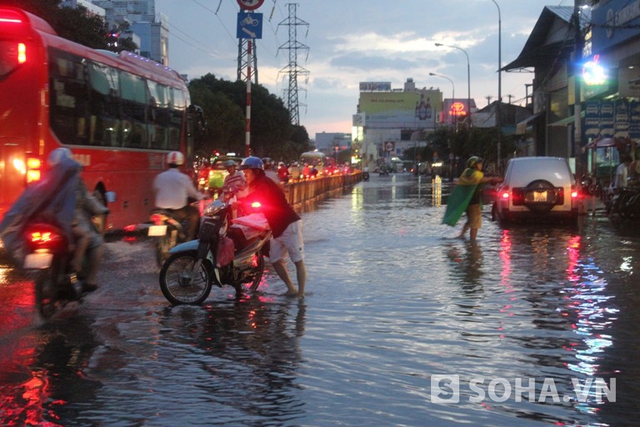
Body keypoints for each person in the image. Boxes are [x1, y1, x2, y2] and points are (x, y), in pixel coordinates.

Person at [0, 147, 107, 292]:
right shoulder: (74, 182)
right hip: (63, 225)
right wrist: (102, 209)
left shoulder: (42, 181)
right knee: (93, 241)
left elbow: (26, 203)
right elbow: (88, 201)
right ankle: (85, 275)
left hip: (40, 223)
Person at [235, 156, 306, 297]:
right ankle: (291, 288)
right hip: (275, 227)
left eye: (248, 173)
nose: (245, 176)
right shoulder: (257, 184)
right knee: (275, 260)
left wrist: (241, 202)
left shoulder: (263, 184)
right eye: (244, 174)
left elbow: (257, 198)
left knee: (297, 260)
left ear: (256, 172)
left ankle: (301, 294)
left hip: (288, 224)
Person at [442, 156, 500, 241]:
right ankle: (473, 243)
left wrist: (490, 179)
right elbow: (480, 179)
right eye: (479, 164)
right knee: (475, 225)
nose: (481, 165)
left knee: (470, 221)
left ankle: (461, 235)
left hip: (468, 202)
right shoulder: (473, 174)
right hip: (473, 203)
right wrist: (492, 178)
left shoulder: (467, 173)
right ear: (475, 165)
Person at [153, 151, 203, 240]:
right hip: (178, 210)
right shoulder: (183, 178)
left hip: (160, 210)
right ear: (180, 162)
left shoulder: (160, 176)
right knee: (194, 214)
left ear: (168, 162)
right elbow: (193, 193)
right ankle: (190, 239)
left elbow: (155, 190)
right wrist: (201, 197)